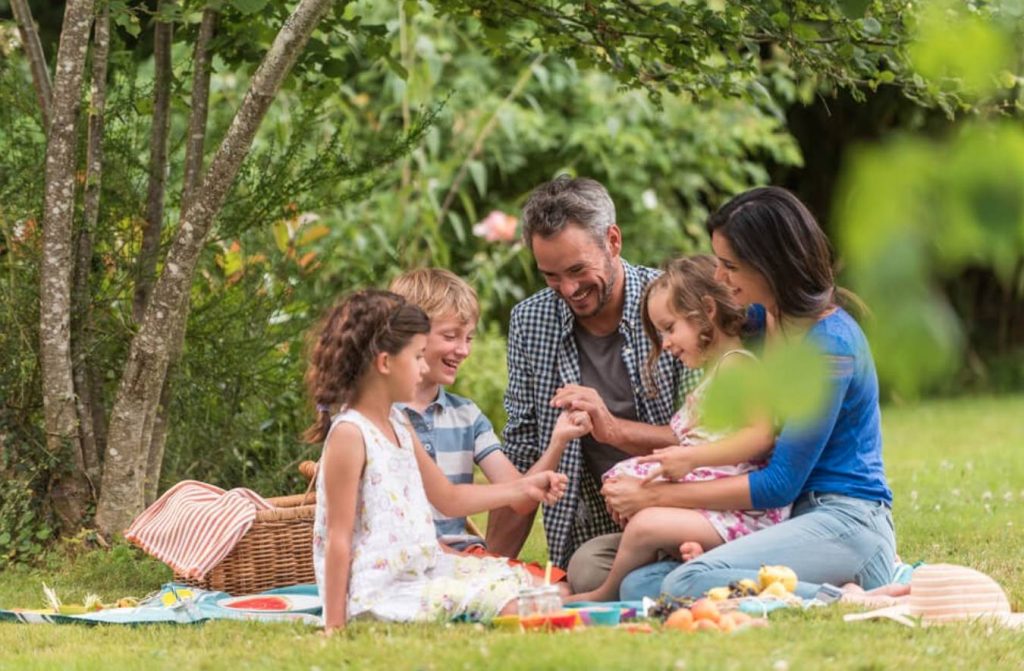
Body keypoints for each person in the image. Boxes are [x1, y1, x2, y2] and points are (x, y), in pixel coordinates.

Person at [602, 186, 896, 601]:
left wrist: (655, 496)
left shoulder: (831, 347)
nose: (720, 277)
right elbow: (697, 332)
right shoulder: (758, 325)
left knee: (685, 582)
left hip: (845, 520)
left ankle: (846, 596)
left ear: (770, 264)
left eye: (729, 265)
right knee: (641, 586)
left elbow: (779, 483)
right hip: (786, 521)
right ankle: (824, 588)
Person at [303, 289, 568, 632]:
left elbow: (449, 498)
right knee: (523, 605)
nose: (423, 367)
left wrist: (525, 488)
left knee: (543, 588)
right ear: (385, 363)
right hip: (381, 592)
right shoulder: (351, 434)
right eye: (417, 358)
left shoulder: (398, 424)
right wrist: (334, 626)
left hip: (423, 568)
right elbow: (338, 538)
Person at [487, 175, 698, 586]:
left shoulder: (674, 304)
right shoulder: (531, 322)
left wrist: (613, 429)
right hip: (597, 532)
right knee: (585, 570)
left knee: (600, 576)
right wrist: (488, 572)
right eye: (550, 275)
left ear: (613, 241)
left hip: (687, 513)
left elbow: (708, 440)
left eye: (577, 269)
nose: (568, 289)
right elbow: (523, 453)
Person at [566, 256, 789, 603]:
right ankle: (688, 556)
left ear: (706, 312)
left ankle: (605, 593)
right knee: (632, 497)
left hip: (746, 515)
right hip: (715, 505)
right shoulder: (715, 374)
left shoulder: (737, 368)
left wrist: (690, 458)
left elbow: (759, 436)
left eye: (670, 328)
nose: (666, 343)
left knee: (645, 525)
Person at [388, 268, 590, 582]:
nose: (463, 350)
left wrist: (558, 442)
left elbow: (519, 499)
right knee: (536, 591)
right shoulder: (381, 415)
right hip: (403, 556)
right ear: (410, 335)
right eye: (451, 336)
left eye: (468, 338)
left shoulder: (467, 416)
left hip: (463, 557)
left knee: (559, 588)